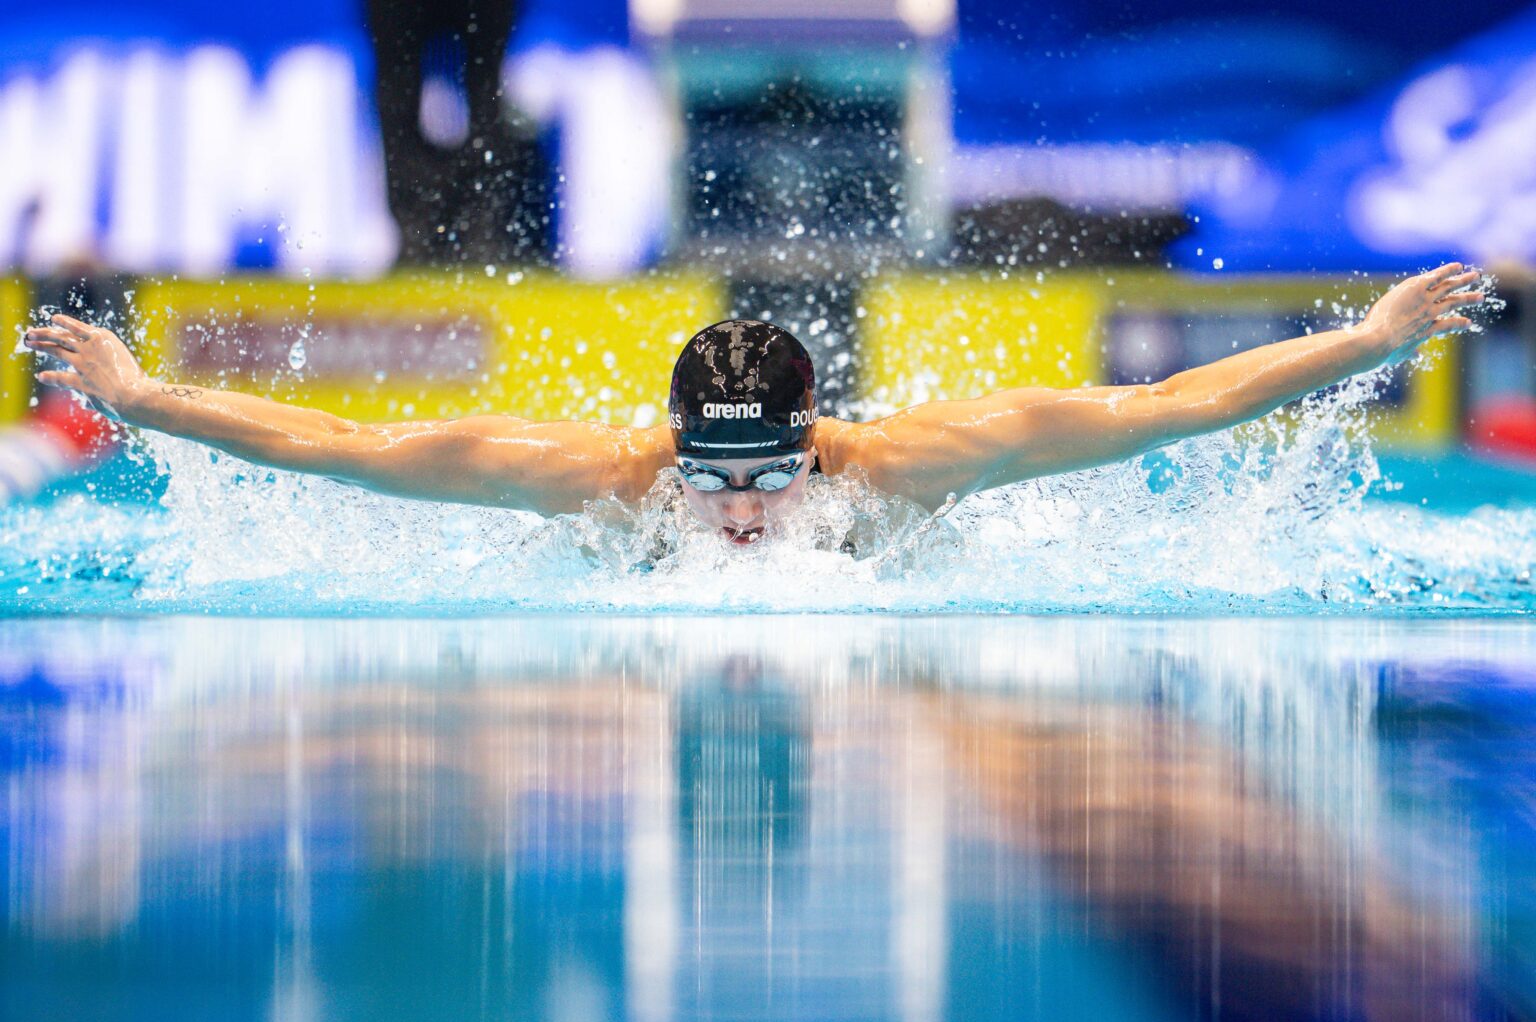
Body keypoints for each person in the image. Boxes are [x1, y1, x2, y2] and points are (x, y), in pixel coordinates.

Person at [22, 263, 1483, 546]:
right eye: (712, 480)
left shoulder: (915, 465)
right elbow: (342, 445)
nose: (734, 510)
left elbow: (1172, 402)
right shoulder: (595, 477)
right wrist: (143, 397)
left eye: (762, 479)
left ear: (814, 434)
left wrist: (1367, 338)